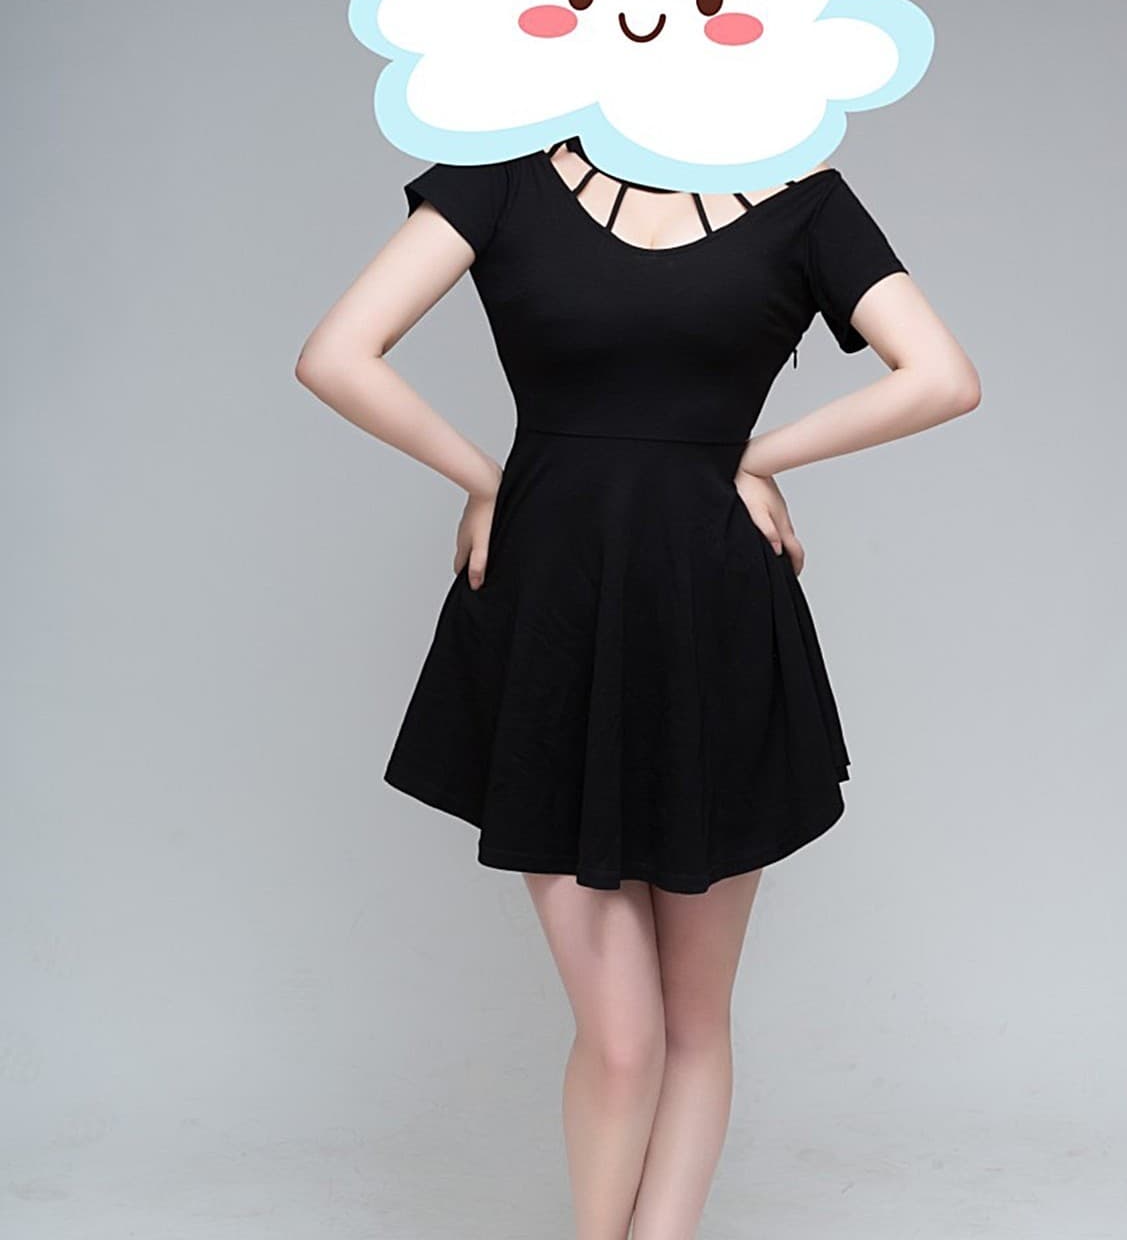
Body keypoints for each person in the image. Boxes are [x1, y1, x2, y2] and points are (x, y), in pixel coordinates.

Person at [295, 133, 979, 1238]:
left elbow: (943, 377)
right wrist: (486, 480)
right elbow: (335, 354)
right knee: (623, 1037)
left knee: (695, 1022)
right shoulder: (500, 175)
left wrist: (755, 456)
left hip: (715, 614)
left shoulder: (806, 202)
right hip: (554, 617)